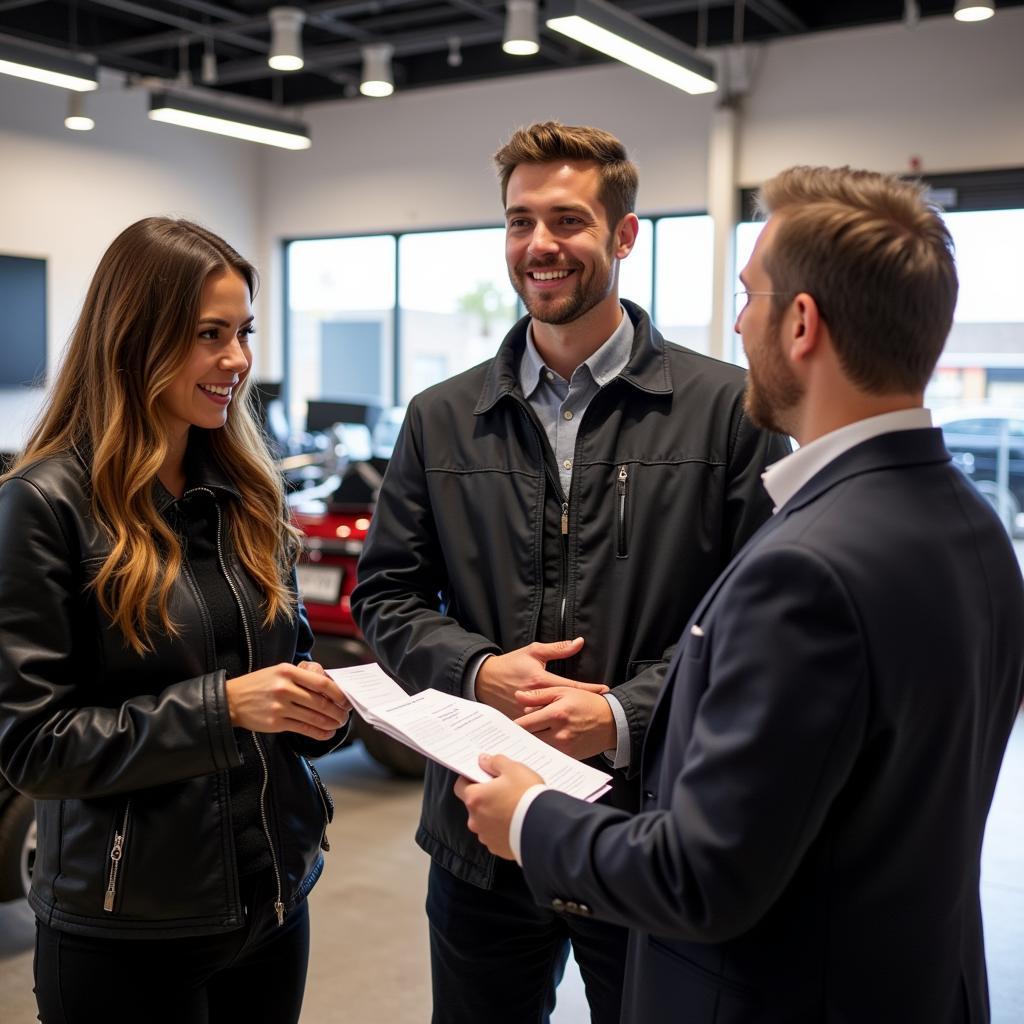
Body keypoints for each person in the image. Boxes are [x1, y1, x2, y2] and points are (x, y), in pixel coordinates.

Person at [456, 165, 1024, 1022]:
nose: (736, 319)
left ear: (802, 324)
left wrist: (530, 818)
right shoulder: (974, 529)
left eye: (748, 294)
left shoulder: (807, 569)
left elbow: (700, 876)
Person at [351, 121, 788, 1023]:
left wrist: (623, 715)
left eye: (567, 220)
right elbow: (385, 596)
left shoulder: (725, 415)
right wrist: (476, 670)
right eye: (519, 222)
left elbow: (756, 630)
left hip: (644, 836)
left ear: (624, 236)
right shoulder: (440, 418)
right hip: (479, 831)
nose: (539, 246)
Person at [0, 218, 352, 1024]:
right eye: (209, 335)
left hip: (271, 903)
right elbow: (31, 746)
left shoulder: (248, 497)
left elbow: (284, 673)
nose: (238, 360)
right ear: (135, 339)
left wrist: (318, 713)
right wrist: (221, 708)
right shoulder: (45, 505)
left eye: (244, 333)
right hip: (126, 928)